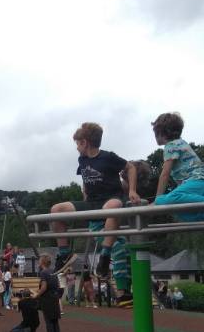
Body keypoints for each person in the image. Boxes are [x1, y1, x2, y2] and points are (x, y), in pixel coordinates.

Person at [49, 122, 139, 307]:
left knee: (113, 207)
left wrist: (132, 190)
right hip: (91, 203)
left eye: (77, 144)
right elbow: (85, 180)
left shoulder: (108, 157)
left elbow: (130, 168)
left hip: (109, 200)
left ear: (85, 142)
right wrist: (84, 199)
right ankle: (64, 254)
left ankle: (105, 257)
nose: (76, 148)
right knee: (56, 210)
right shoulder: (82, 161)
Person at [36, 254, 62, 332]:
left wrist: (37, 295)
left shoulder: (43, 273)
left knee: (49, 321)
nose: (38, 262)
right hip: (55, 297)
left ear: (42, 262)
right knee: (55, 321)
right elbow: (58, 284)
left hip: (47, 299)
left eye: (39, 260)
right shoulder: (53, 271)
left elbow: (44, 287)